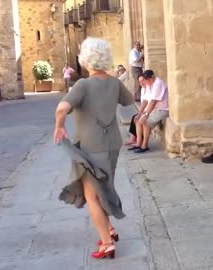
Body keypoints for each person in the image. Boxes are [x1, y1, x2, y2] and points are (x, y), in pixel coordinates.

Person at [53, 37, 134, 259]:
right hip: (112, 145)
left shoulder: (83, 85)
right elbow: (130, 100)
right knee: (104, 189)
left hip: (90, 147)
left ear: (85, 59)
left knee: (93, 196)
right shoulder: (115, 82)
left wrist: (59, 126)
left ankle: (107, 243)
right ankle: (109, 230)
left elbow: (62, 108)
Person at [128, 70, 169, 153]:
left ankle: (144, 145)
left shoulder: (158, 83)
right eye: (146, 80)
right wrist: (139, 114)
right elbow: (145, 101)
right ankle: (138, 143)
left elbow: (153, 101)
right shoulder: (150, 84)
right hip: (155, 110)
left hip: (162, 110)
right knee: (138, 120)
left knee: (145, 122)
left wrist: (146, 114)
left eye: (149, 80)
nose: (147, 82)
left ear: (153, 76)